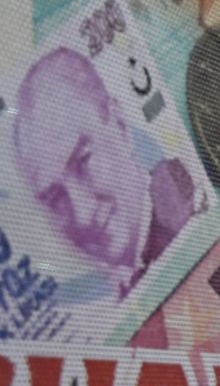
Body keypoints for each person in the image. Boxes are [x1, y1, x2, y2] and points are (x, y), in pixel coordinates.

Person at [12, 46, 195, 287]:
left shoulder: (191, 209)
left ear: (120, 125)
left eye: (83, 161)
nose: (83, 213)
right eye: (55, 199)